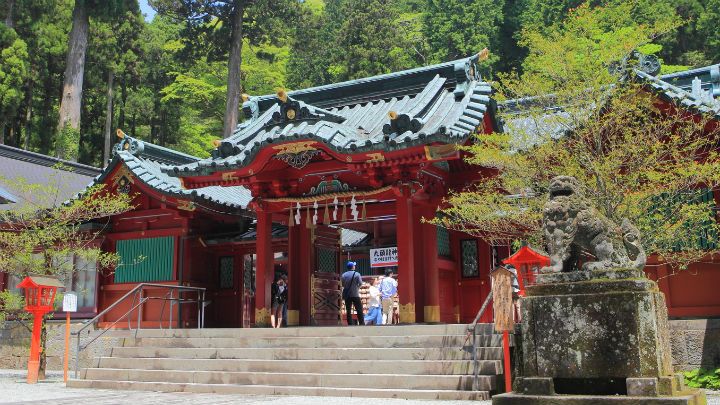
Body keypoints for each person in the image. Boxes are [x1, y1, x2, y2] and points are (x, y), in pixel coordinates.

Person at [341, 261, 364, 325]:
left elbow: (342, 284)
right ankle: (361, 323)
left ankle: (350, 323)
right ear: (353, 267)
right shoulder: (357, 274)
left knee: (348, 309)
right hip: (355, 294)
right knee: (359, 309)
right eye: (354, 265)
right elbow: (360, 283)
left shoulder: (344, 275)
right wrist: (357, 288)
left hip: (347, 295)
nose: (355, 266)